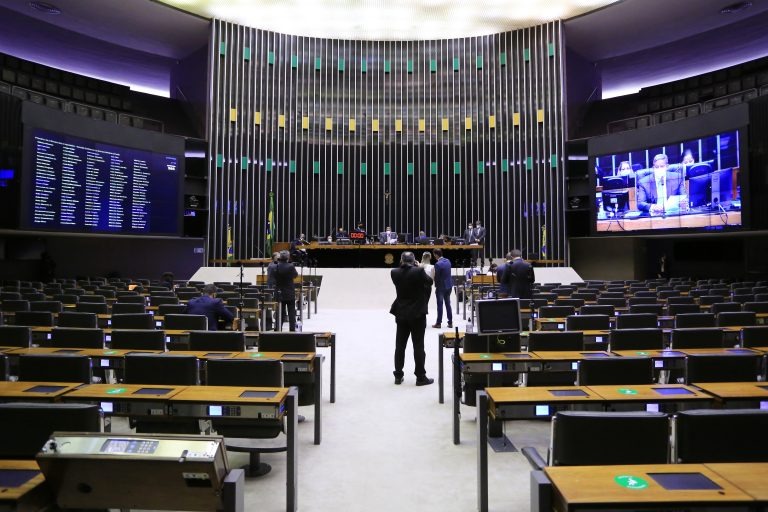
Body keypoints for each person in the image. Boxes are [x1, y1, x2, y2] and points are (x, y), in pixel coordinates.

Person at [390, 251, 434, 386]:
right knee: (418, 346)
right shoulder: (419, 271)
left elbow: (402, 272)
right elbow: (430, 282)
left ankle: (398, 375)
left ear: (401, 261)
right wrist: (418, 267)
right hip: (417, 314)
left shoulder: (394, 272)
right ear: (414, 260)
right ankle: (420, 377)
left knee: (400, 346)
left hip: (401, 313)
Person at [274, 250, 299, 331]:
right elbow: (295, 275)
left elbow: (274, 277)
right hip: (289, 292)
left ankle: (278, 328)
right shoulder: (291, 266)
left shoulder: (276, 266)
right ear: (288, 257)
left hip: (280, 292)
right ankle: (292, 329)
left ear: (280, 257)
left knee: (280, 312)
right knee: (291, 312)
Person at [431, 248, 453, 328]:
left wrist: (435, 285)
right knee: (448, 304)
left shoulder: (437, 264)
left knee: (440, 305)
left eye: (434, 255)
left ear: (436, 255)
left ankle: (438, 323)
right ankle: (450, 322)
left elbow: (437, 277)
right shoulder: (448, 261)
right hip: (449, 285)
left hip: (441, 287)